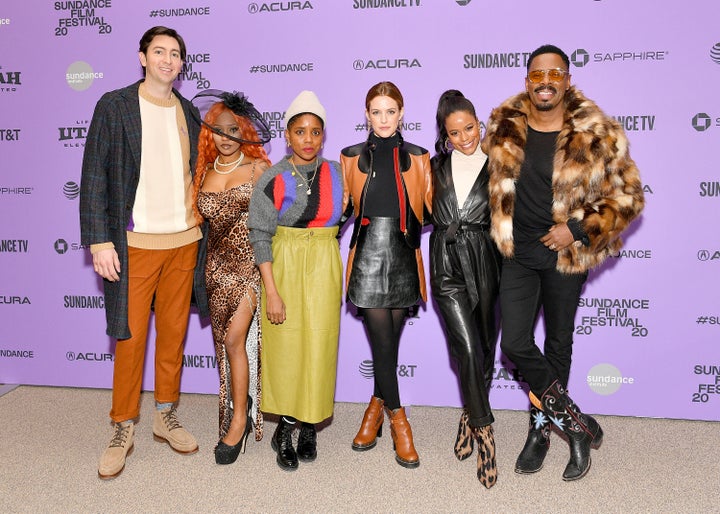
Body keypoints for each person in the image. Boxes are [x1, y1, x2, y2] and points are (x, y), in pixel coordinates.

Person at [481, 44, 644, 481]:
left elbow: (629, 197)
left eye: (555, 73)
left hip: (567, 256)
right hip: (518, 255)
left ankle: (540, 429)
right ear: (527, 80)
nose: (546, 81)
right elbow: (472, 166)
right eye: (538, 74)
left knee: (557, 345)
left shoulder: (597, 133)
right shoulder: (502, 127)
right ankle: (576, 424)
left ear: (567, 80)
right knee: (514, 344)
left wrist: (575, 229)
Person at [80, 26, 205, 480]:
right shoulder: (114, 106)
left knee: (173, 336)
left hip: (184, 242)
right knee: (130, 339)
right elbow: (94, 174)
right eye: (159, 52)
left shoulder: (189, 112)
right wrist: (99, 239)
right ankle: (122, 426)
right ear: (142, 57)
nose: (168, 60)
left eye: (176, 53)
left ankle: (165, 415)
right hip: (134, 246)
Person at [248, 91, 344, 471]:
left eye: (315, 132)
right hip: (284, 261)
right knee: (287, 348)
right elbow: (259, 233)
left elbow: (349, 214)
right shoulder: (272, 177)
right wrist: (271, 290)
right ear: (287, 136)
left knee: (320, 345)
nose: (308, 139)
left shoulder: (338, 172)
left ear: (323, 136)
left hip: (323, 258)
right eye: (300, 131)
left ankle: (309, 425)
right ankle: (284, 428)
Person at [341, 81, 432, 469]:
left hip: (403, 252)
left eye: (390, 112)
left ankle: (375, 406)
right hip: (367, 254)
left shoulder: (419, 156)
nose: (383, 119)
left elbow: (429, 209)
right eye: (376, 112)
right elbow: (342, 207)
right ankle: (398, 419)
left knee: (386, 348)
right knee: (382, 344)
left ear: (401, 113)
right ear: (366, 114)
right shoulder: (349, 156)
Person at [191, 90, 272, 464]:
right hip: (214, 271)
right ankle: (241, 398)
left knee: (235, 339)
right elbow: (196, 226)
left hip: (248, 269)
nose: (224, 137)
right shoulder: (203, 173)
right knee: (224, 346)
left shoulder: (259, 171)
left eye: (231, 130)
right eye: (218, 131)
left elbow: (278, 223)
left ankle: (238, 420)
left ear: (243, 131)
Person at [429, 90, 501, 488]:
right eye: (454, 132)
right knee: (468, 347)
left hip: (487, 259)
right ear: (445, 134)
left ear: (479, 123)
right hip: (445, 262)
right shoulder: (433, 166)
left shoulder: (500, 165)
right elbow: (414, 209)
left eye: (469, 128)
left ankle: (467, 414)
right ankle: (486, 435)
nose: (463, 137)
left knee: (485, 348)